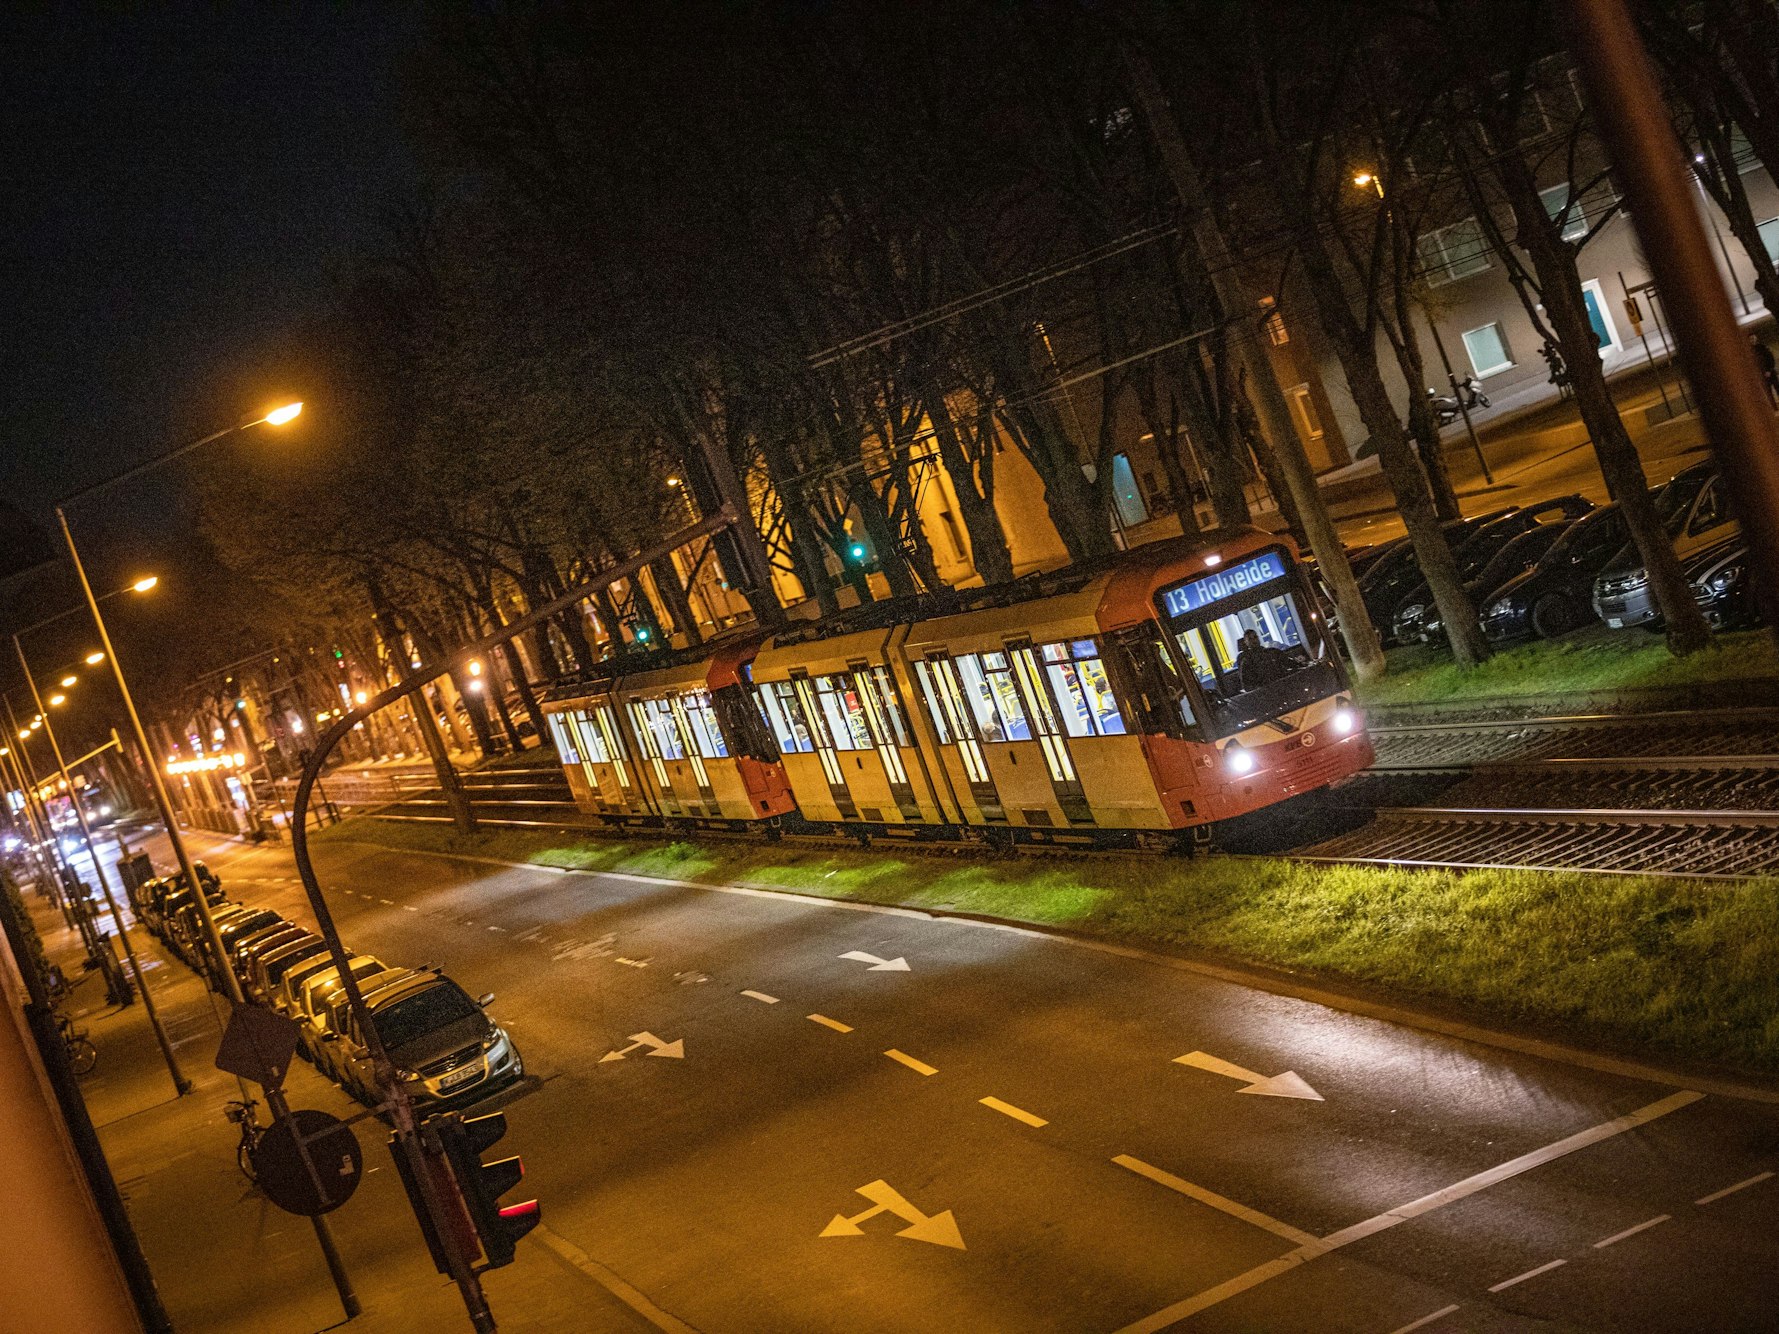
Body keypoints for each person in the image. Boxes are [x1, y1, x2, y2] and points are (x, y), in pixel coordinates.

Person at [1749, 333, 1778, 407]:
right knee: (1768, 393)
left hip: (1770, 372)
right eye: (1751, 339)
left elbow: (1770, 358)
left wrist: (1769, 370)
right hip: (1761, 375)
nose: (1752, 340)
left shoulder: (1762, 347)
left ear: (1756, 339)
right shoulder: (1748, 351)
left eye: (1753, 338)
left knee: (1778, 387)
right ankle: (1774, 408)